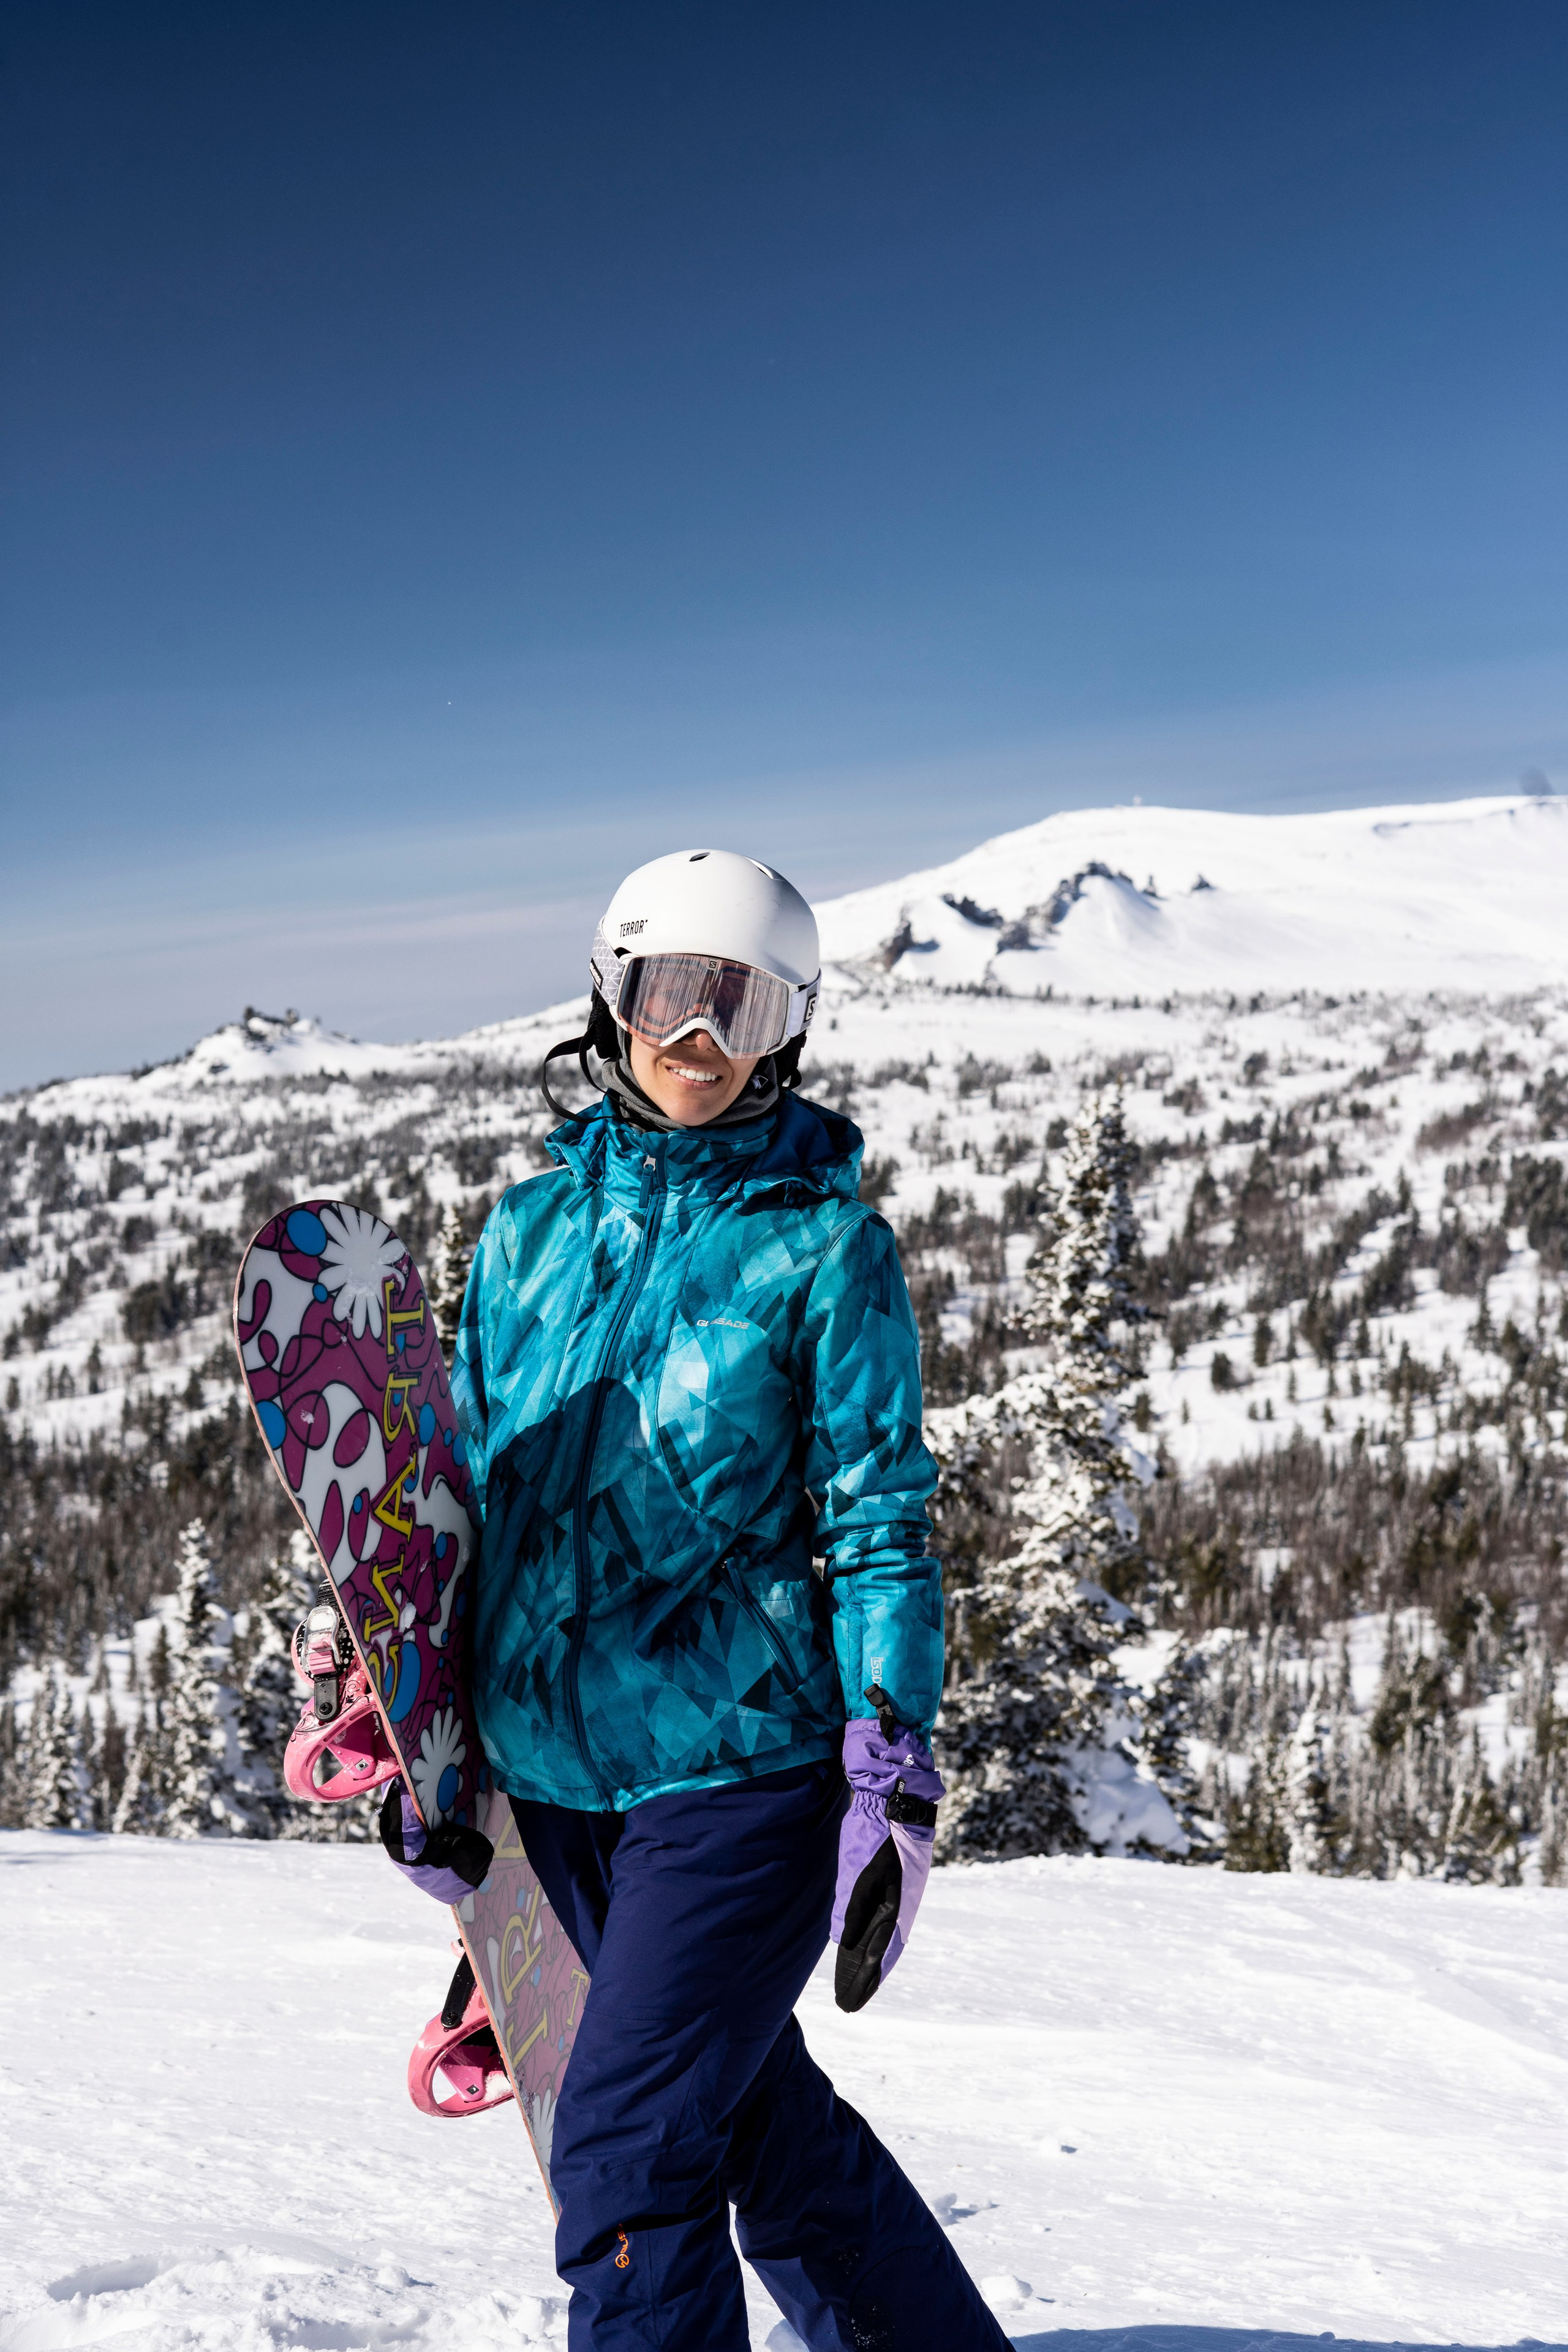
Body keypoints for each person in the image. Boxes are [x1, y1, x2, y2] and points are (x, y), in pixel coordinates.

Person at [447, 850, 1011, 2352]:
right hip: (559, 1789)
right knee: (754, 2119)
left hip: (741, 1776)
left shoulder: (824, 1251)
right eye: (664, 998)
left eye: (736, 1007)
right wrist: (410, 1701)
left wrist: (891, 1752)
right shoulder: (523, 1236)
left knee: (626, 2158)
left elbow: (878, 1519)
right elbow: (466, 1498)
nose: (694, 1042)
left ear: (788, 1030)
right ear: (606, 998)